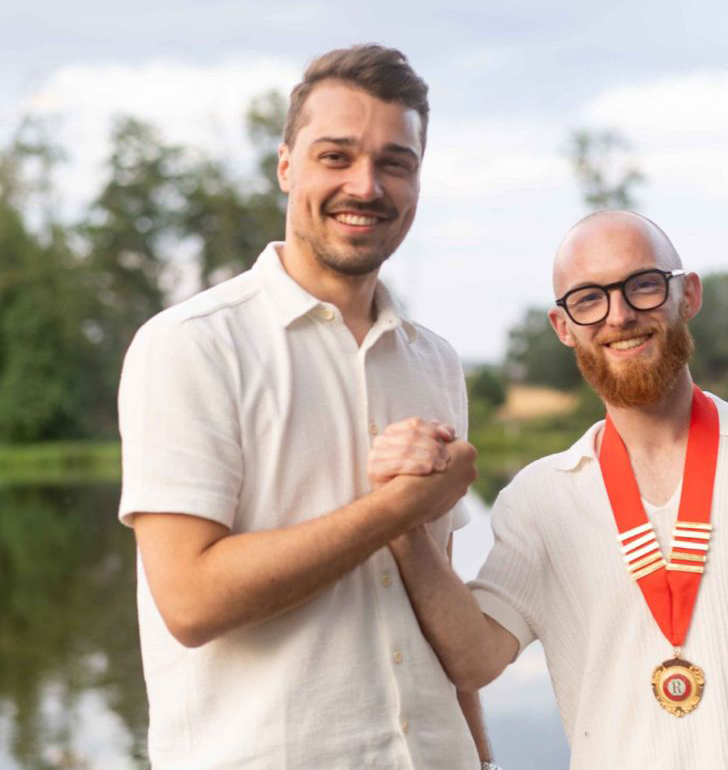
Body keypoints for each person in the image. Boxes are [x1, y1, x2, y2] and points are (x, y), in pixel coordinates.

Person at [370, 210, 728, 769]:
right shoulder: (537, 498)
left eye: (642, 285)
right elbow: (475, 661)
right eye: (588, 298)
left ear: (687, 295)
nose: (619, 316)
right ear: (563, 326)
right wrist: (400, 519)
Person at [117, 44, 494, 769]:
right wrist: (395, 509)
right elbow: (191, 602)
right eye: (337, 156)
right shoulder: (191, 346)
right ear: (287, 164)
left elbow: (436, 614)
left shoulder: (435, 361)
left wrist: (482, 758)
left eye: (395, 162)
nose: (367, 185)